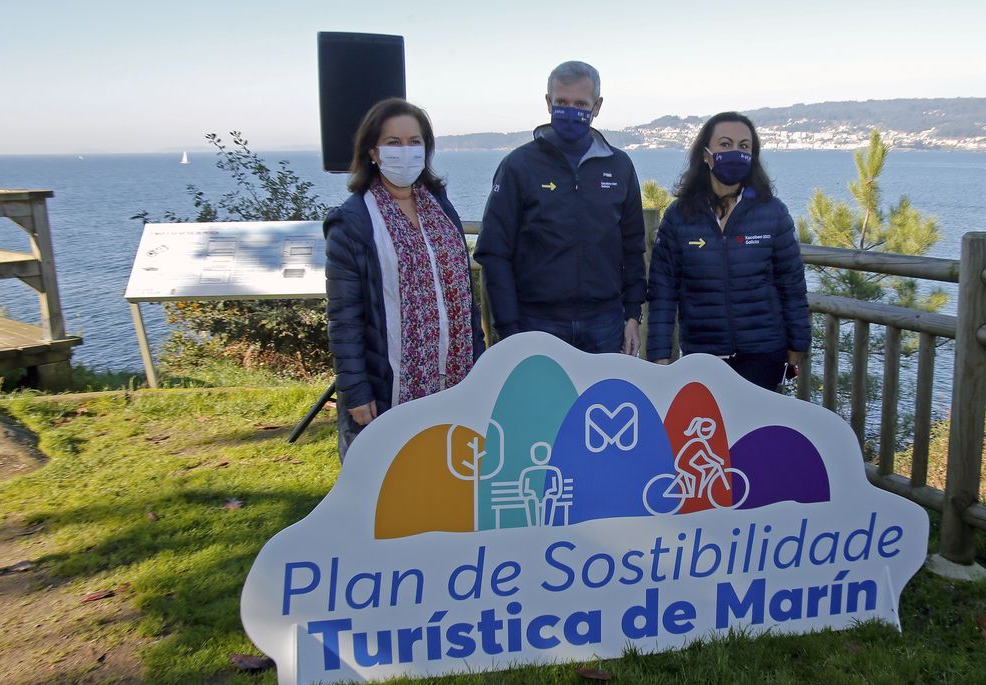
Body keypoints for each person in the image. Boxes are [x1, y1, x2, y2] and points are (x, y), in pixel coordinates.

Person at [324, 98, 485, 459]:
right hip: (387, 388)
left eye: (415, 142)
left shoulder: (440, 208)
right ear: (372, 151)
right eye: (393, 143)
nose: (406, 151)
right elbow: (344, 317)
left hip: (454, 381)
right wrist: (355, 391)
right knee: (380, 497)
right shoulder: (353, 222)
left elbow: (462, 295)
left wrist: (480, 365)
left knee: (447, 488)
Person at [474, 60, 646, 355]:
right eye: (562, 102)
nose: (570, 111)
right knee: (540, 402)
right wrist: (510, 328)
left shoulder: (619, 166)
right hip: (536, 323)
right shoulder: (519, 165)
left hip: (605, 322)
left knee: (601, 402)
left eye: (580, 103)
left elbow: (633, 246)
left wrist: (632, 314)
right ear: (548, 103)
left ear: (597, 106)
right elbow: (494, 251)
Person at [646, 111, 811, 390]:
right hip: (703, 356)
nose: (735, 152)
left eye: (744, 146)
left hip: (764, 355)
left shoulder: (772, 212)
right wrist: (659, 355)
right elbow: (663, 292)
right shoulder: (680, 216)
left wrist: (798, 345)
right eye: (725, 144)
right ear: (706, 154)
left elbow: (791, 284)